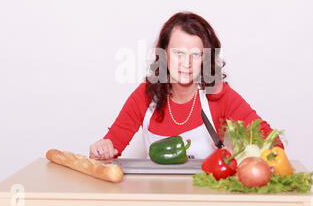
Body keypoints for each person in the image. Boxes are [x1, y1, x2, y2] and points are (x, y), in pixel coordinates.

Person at [89, 11, 284, 160]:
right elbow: (111, 149)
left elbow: (274, 145)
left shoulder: (218, 95)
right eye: (178, 53)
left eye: (196, 55)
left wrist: (239, 154)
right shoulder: (144, 95)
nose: (186, 63)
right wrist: (102, 149)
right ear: (164, 54)